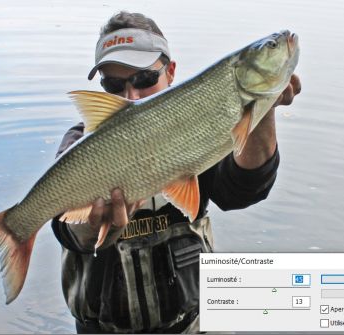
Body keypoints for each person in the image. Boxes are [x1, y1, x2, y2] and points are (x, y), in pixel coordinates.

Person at [51, 11, 301, 334]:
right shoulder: (79, 144)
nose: (132, 96)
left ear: (170, 72)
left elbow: (243, 189)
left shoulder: (201, 125)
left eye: (144, 79)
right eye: (113, 85)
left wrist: (262, 108)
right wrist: (95, 226)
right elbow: (65, 228)